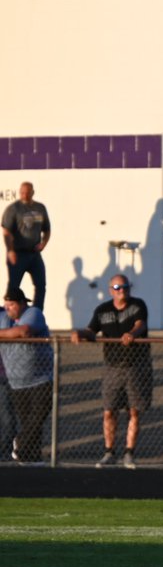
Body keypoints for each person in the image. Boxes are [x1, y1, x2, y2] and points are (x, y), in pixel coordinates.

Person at [71, 274, 152, 469]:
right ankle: (109, 451)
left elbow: (141, 324)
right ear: (110, 290)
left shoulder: (138, 305)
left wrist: (131, 334)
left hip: (136, 366)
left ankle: (129, 452)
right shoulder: (102, 310)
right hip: (112, 366)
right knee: (109, 411)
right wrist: (80, 333)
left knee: (134, 410)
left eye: (124, 286)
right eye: (117, 287)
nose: (121, 290)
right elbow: (92, 330)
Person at [0, 287, 53, 464]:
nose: (8, 308)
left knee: (38, 416)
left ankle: (20, 441)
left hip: (40, 378)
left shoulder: (33, 313)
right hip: (16, 381)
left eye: (12, 305)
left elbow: (24, 331)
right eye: (6, 305)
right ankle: (30, 458)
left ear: (22, 303)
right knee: (29, 422)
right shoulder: (4, 317)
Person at [2, 182, 51, 310]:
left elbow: (47, 229)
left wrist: (43, 244)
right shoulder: (14, 208)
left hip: (34, 254)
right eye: (22, 192)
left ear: (32, 192)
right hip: (18, 253)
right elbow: (6, 232)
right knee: (13, 287)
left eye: (27, 192)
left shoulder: (40, 208)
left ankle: (37, 313)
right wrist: (10, 250)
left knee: (41, 285)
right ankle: (8, 315)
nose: (25, 195)